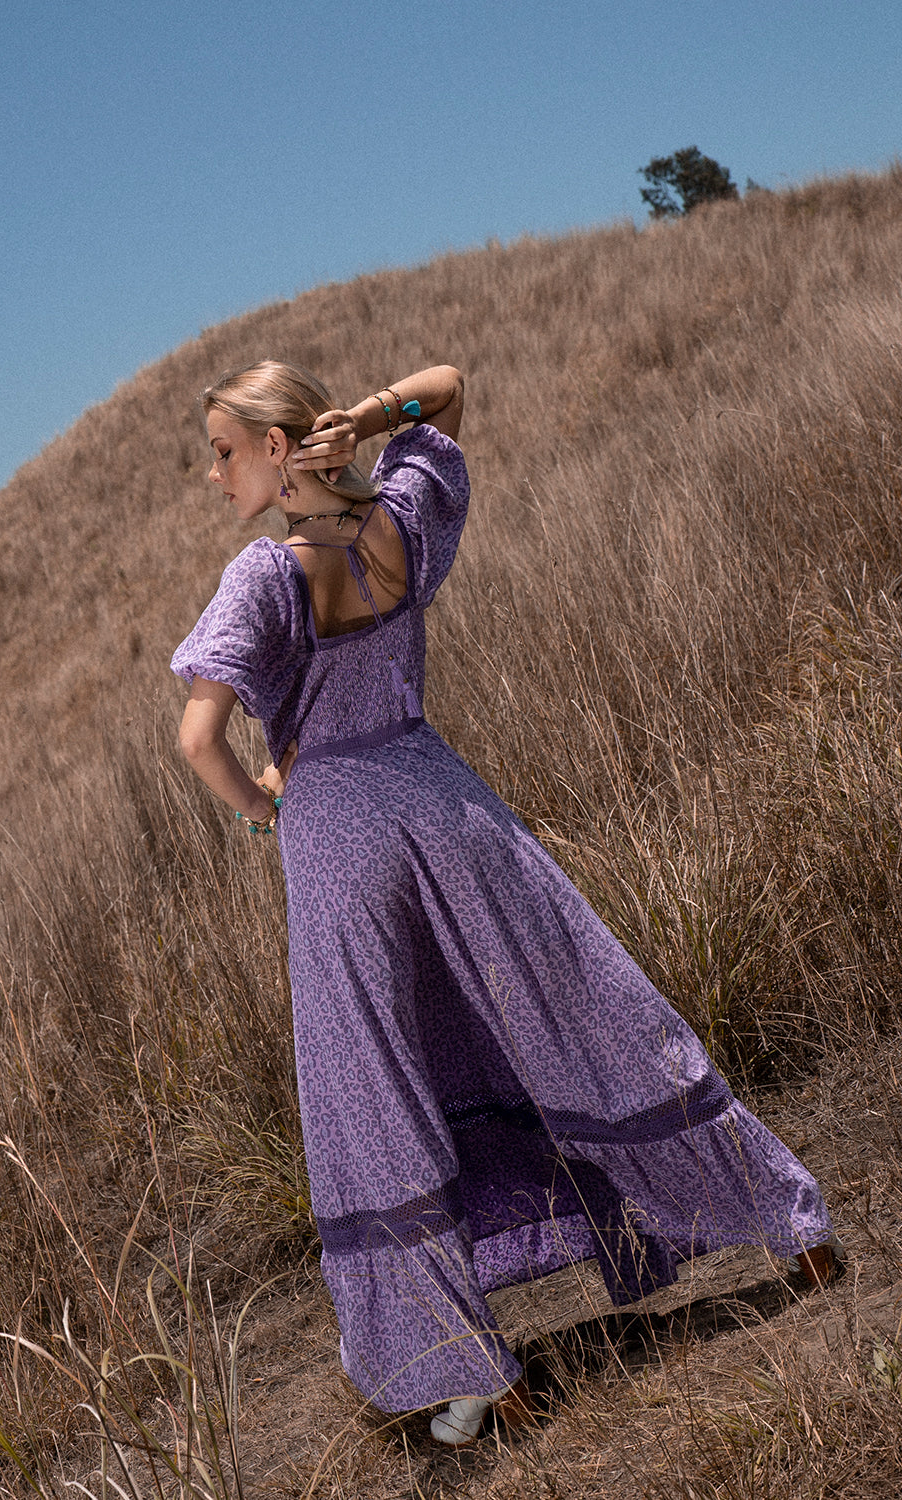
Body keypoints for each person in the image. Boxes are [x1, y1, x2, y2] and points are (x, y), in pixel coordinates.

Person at [171, 361, 839, 1446]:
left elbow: (197, 740)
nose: (214, 473)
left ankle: (468, 1367)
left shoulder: (261, 576)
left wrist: (261, 811)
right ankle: (792, 1227)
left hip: (338, 838)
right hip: (442, 798)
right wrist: (379, 418)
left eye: (225, 450)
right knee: (573, 1009)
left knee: (373, 1092)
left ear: (282, 449)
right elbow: (451, 385)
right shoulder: (397, 523)